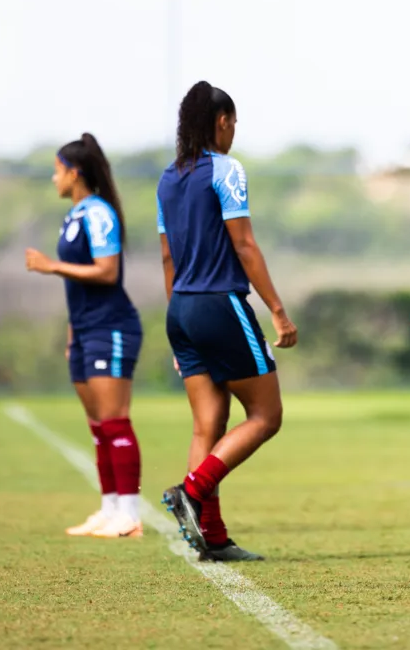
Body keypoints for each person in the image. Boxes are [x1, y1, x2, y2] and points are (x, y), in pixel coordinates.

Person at [158, 81, 298, 562]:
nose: (234, 132)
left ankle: (212, 538)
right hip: (220, 304)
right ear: (221, 122)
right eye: (234, 123)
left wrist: (178, 328)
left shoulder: (168, 178)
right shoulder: (226, 170)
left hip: (181, 309)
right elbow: (245, 245)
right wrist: (277, 310)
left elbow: (166, 258)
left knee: (208, 425)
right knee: (266, 415)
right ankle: (191, 491)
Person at [26, 133, 144, 539]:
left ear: (74, 173)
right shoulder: (75, 215)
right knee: (97, 425)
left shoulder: (98, 213)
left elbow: (107, 272)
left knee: (114, 421)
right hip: (86, 330)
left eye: (57, 170)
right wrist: (72, 331)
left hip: (112, 327)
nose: (53, 177)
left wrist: (51, 266)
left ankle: (129, 515)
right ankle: (109, 508)